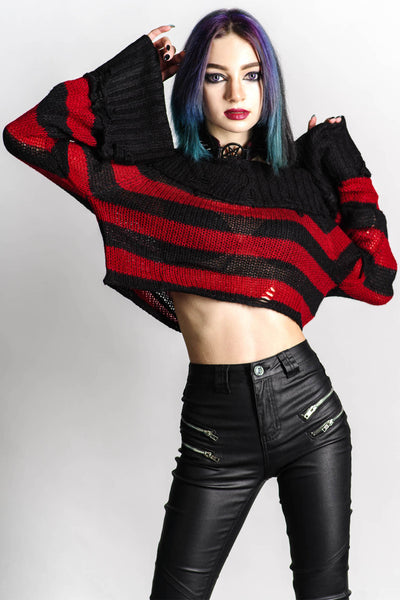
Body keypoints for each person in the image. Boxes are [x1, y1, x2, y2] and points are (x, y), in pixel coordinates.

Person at [3, 7, 397, 600]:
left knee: (326, 596)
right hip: (216, 428)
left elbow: (377, 277)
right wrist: (130, 73)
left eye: (252, 75)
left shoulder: (297, 190)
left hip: (312, 416)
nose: (237, 93)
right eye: (216, 76)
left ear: (269, 86)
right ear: (192, 85)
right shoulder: (151, 180)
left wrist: (342, 160)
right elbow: (30, 134)